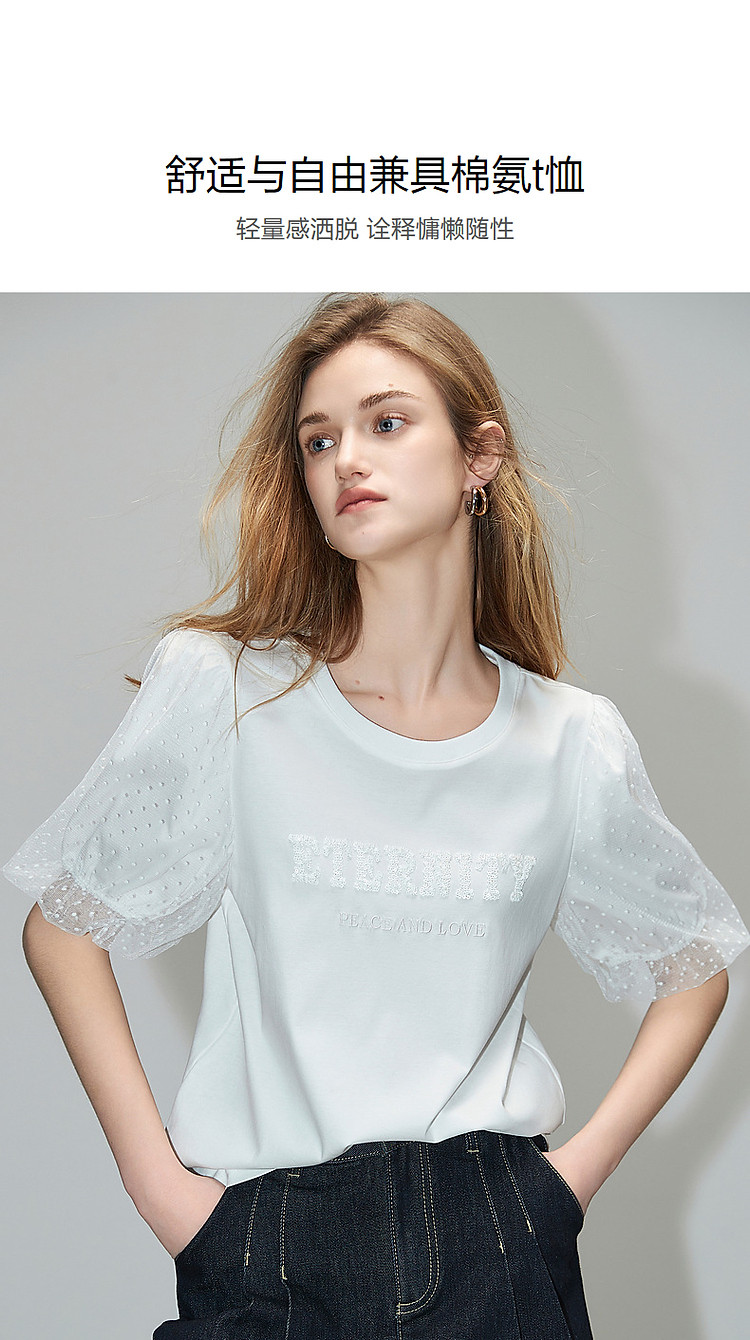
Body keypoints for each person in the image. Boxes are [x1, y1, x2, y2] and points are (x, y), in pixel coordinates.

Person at [4, 292, 749, 1340]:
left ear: (478, 455)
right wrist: (166, 1194)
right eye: (319, 439)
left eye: (386, 422)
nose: (347, 458)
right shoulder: (227, 692)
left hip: (499, 1235)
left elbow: (694, 964)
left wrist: (564, 1185)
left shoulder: (569, 739)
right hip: (270, 1242)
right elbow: (63, 929)